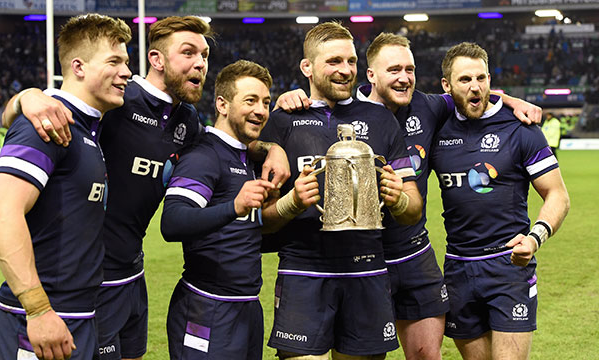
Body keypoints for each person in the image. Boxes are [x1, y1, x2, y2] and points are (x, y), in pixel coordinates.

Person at [1, 16, 290, 360]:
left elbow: (224, 142)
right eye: (188, 53)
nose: (201, 63)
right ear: (156, 60)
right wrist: (27, 97)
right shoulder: (118, 99)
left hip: (133, 274)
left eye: (204, 55)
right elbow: (49, 110)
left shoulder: (188, 121)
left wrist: (273, 149)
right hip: (89, 281)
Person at [275, 32, 543, 360]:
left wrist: (514, 101)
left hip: (415, 255)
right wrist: (289, 101)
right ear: (370, 75)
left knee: (427, 355)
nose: (404, 78)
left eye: (410, 69)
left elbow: (471, 88)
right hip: (364, 261)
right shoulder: (346, 112)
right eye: (394, 70)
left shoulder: (427, 106)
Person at [261, 21, 423, 360]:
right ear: (307, 67)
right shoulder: (282, 121)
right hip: (303, 269)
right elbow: (263, 223)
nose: (345, 70)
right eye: (334, 61)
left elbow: (413, 212)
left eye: (350, 61)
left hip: (366, 269)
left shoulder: (381, 121)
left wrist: (399, 198)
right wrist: (291, 202)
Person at [0, 14, 132, 360]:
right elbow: (2, 215)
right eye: (114, 61)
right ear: (78, 67)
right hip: (41, 319)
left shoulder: (85, 126)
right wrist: (37, 310)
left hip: (78, 313)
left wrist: (24, 96)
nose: (127, 72)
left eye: (126, 62)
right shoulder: (46, 124)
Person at [160, 60, 319, 360]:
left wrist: (278, 156)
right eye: (250, 100)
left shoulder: (247, 158)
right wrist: (234, 206)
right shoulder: (204, 156)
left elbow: (252, 227)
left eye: (266, 102)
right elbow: (172, 222)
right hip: (207, 307)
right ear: (222, 104)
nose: (260, 110)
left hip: (246, 306)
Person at [431, 42, 570, 360]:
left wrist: (535, 239)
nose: (475, 87)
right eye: (465, 80)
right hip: (458, 269)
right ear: (446, 86)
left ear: (491, 80)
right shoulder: (436, 127)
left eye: (481, 78)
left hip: (508, 267)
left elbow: (558, 194)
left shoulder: (521, 129)